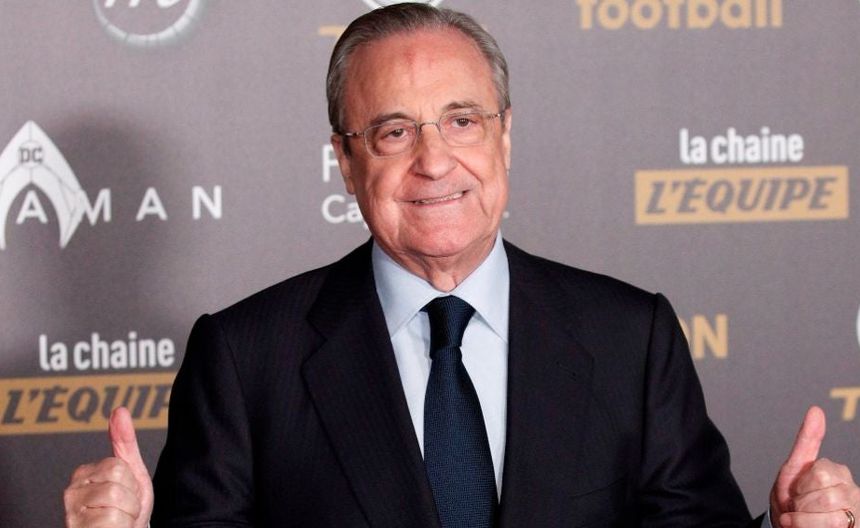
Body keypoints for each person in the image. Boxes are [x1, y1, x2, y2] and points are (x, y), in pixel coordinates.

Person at [64, 4, 859, 528]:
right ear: (345, 161)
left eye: (462, 121)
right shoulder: (244, 359)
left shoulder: (631, 337)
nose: (435, 161)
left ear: (504, 136)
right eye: (394, 132)